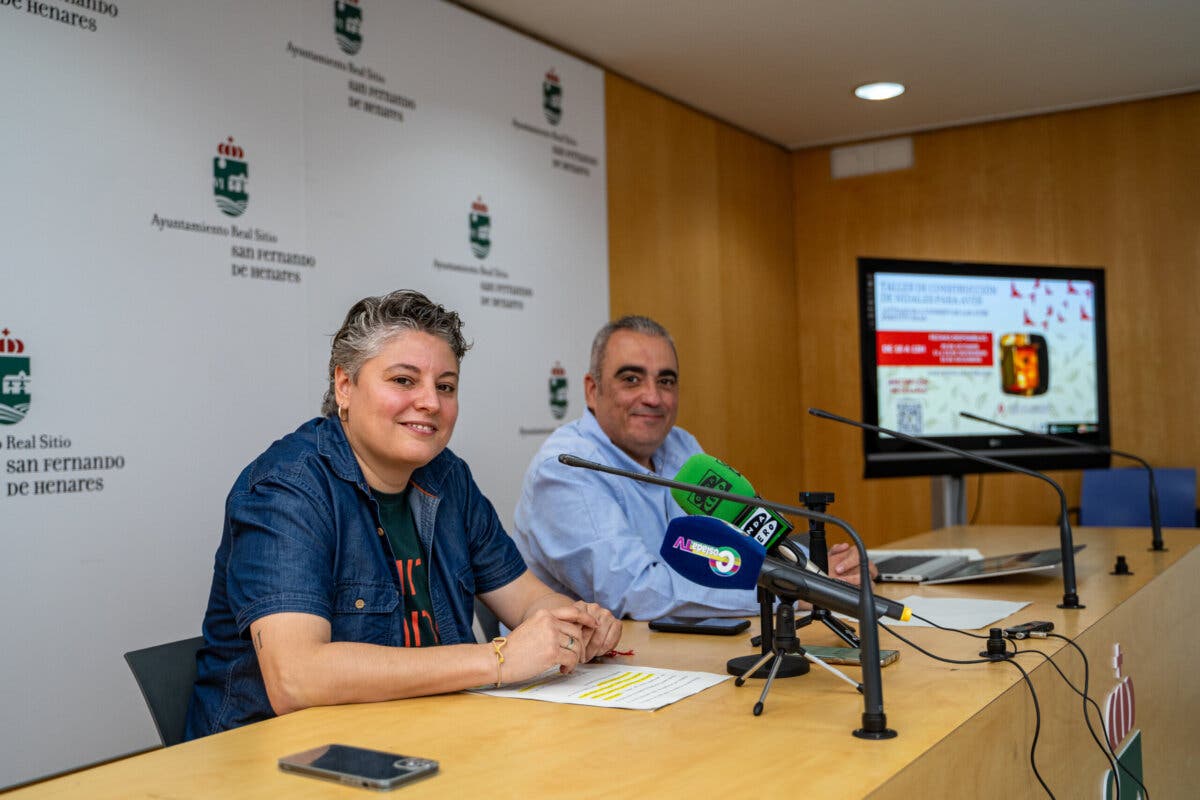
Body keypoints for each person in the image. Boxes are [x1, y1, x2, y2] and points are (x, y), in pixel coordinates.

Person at [186, 290, 621, 739]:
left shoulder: (448, 478)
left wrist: (575, 622)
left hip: (420, 737)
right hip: (277, 761)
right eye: (403, 380)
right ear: (344, 386)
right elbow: (297, 677)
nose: (431, 402)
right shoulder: (285, 489)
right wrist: (500, 658)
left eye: (446, 386)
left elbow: (530, 601)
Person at [512, 315, 872, 620]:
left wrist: (825, 571)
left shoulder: (681, 446)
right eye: (631, 379)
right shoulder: (564, 468)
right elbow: (637, 593)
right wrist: (791, 591)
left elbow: (737, 546)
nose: (653, 397)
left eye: (665, 381)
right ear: (592, 390)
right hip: (579, 681)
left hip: (674, 656)